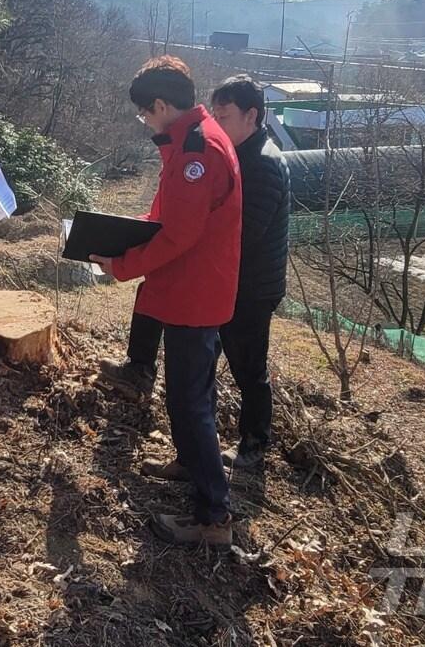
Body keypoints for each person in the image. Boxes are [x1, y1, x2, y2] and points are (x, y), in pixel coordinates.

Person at [99, 76, 290, 469]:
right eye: (215, 115)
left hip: (250, 287)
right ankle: (186, 441)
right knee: (195, 373)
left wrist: (179, 251)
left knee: (247, 365)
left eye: (225, 116)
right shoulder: (229, 151)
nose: (217, 124)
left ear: (251, 116)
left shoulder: (263, 164)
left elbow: (241, 236)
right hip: (222, 279)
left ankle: (254, 442)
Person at [90, 57, 242, 547]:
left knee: (189, 399)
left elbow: (178, 234)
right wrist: (120, 236)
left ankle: (212, 517)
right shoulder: (188, 142)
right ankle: (188, 462)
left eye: (144, 113)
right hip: (188, 286)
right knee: (193, 394)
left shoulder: (199, 151)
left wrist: (121, 265)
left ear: (160, 105)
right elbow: (165, 216)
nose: (145, 122)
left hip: (194, 292)